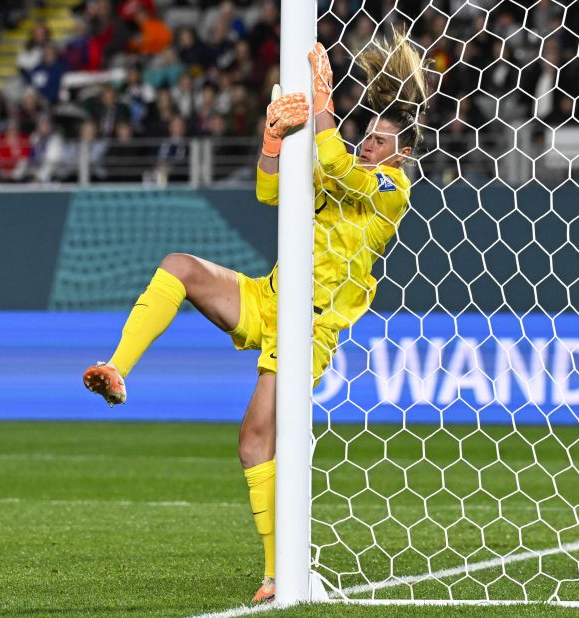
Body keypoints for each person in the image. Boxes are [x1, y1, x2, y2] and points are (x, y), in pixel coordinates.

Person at [82, 33, 429, 603]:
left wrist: (323, 111)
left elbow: (341, 170)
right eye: (367, 136)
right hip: (270, 296)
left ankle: (278, 574)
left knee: (254, 442)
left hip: (308, 325)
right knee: (180, 266)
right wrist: (273, 142)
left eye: (380, 140)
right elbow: (271, 193)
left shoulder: (392, 189)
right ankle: (116, 370)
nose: (368, 145)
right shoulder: (336, 167)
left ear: (403, 153)